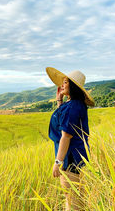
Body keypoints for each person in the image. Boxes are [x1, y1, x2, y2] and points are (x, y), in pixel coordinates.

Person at [46, 67, 94, 211]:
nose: (62, 85)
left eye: (66, 82)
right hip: (74, 156)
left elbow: (66, 136)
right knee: (73, 196)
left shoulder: (73, 107)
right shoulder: (73, 104)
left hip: (70, 158)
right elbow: (64, 120)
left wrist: (57, 162)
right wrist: (59, 101)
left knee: (72, 200)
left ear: (73, 86)